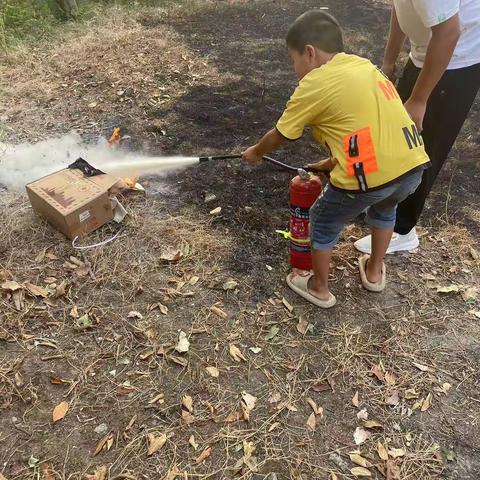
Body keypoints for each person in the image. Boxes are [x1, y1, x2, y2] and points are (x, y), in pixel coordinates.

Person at [242, 10, 430, 308]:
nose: (295, 69)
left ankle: (318, 287)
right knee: (385, 207)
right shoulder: (363, 66)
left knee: (323, 219)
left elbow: (281, 133)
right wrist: (329, 164)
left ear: (310, 53)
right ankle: (374, 270)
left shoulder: (314, 83)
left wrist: (256, 152)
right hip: (412, 166)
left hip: (372, 177)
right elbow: (368, 129)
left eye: (294, 61)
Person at [355, 0, 480, 254]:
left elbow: (449, 33)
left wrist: (420, 99)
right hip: (427, 51)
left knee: (422, 146)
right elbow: (401, 9)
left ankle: (402, 230)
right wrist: (389, 61)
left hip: (456, 60)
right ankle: (385, 208)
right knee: (397, 134)